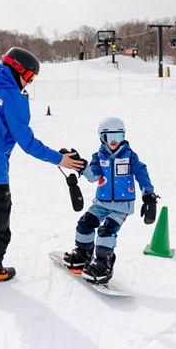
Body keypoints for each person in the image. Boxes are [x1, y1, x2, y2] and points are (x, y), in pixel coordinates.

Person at [0, 47, 85, 285]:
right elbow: (27, 142)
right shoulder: (12, 97)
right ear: (17, 70)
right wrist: (59, 159)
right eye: (30, 77)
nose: (28, 84)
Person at [63, 117, 158, 284]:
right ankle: (83, 253)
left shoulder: (130, 157)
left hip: (121, 206)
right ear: (101, 137)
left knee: (106, 231)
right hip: (101, 203)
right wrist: (82, 165)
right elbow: (94, 177)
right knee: (84, 224)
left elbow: (141, 173)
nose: (113, 141)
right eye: (109, 137)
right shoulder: (98, 157)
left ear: (124, 136)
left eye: (118, 136)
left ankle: (103, 263)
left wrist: (148, 195)